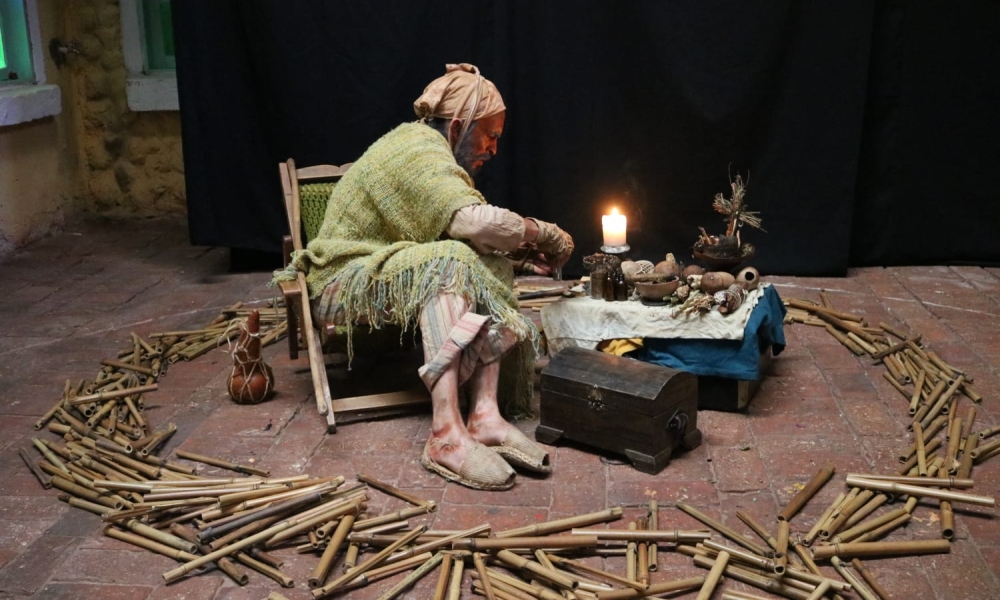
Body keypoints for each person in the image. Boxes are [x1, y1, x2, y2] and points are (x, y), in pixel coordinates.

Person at [277, 64, 574, 490]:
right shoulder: (417, 148)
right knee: (451, 260)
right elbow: (471, 224)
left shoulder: (436, 158)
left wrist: (522, 262)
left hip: (388, 266)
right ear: (457, 126)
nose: (492, 148)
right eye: (488, 134)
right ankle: (444, 433)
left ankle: (485, 415)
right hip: (342, 277)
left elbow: (461, 237)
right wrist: (543, 232)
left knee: (485, 265)